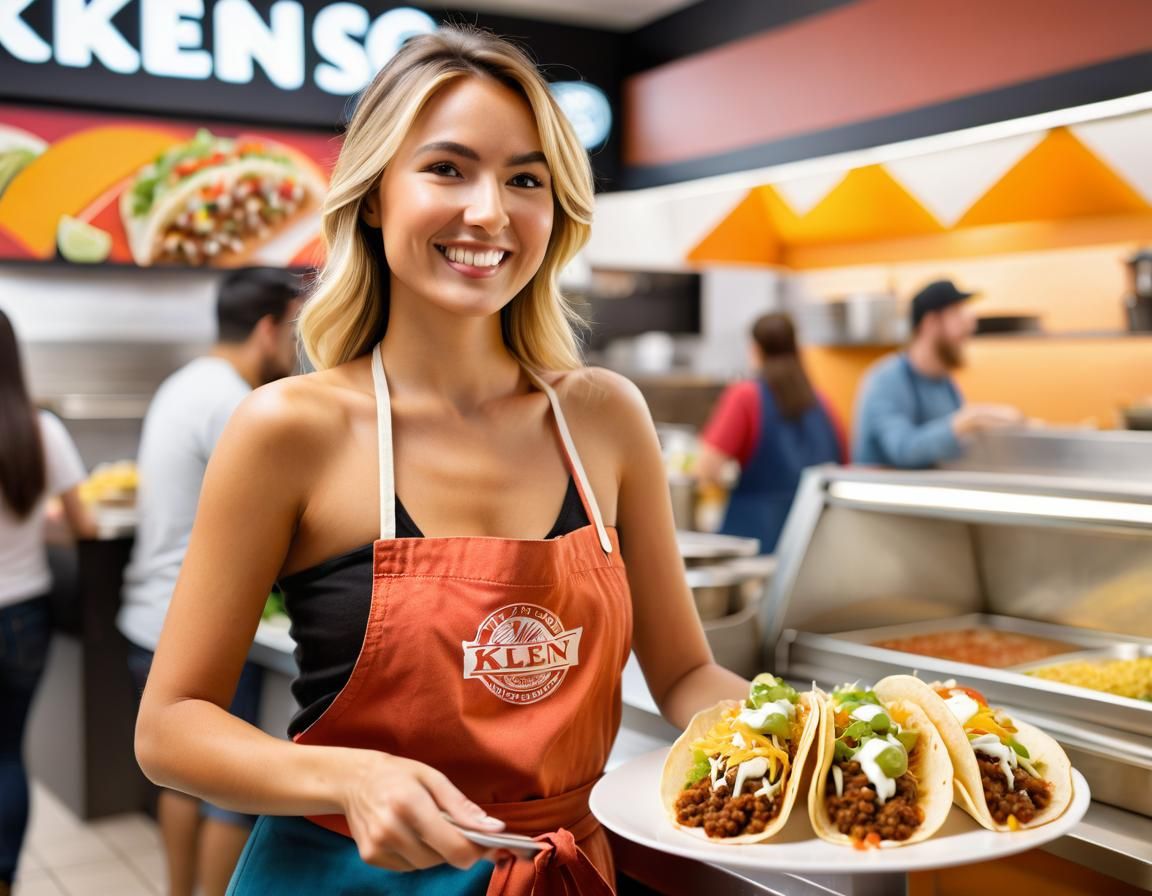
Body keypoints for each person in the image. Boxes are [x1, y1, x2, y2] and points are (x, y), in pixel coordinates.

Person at [134, 26, 747, 895]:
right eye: (447, 169)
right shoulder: (288, 429)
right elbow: (170, 729)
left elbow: (684, 671)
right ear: (376, 195)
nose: (490, 212)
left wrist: (781, 734)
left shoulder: (604, 417)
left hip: (563, 875)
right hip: (341, 876)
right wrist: (351, 777)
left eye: (525, 179)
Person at [119, 267, 304, 896]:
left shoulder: (183, 383)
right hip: (201, 626)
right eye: (294, 330)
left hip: (147, 614)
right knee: (229, 795)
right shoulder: (236, 404)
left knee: (179, 778)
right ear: (266, 329)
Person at [0, 309, 96, 896]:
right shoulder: (40, 430)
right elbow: (81, 526)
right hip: (24, 616)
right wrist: (38, 522)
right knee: (9, 753)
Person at [694, 312, 845, 554]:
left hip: (754, 543)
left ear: (754, 348)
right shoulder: (820, 402)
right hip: (812, 544)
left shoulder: (745, 397)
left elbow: (706, 467)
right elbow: (842, 464)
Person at [852, 279, 1022, 468]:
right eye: (957, 312)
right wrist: (963, 422)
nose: (969, 323)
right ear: (930, 322)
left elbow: (952, 448)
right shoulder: (885, 380)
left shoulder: (944, 382)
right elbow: (903, 449)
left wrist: (989, 421)